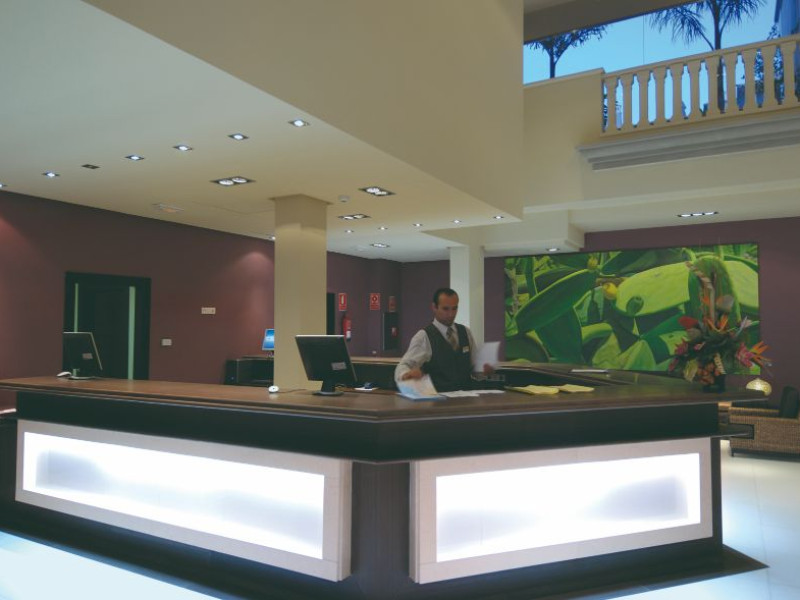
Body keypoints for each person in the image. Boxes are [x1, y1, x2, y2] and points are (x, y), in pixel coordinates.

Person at [395, 287, 492, 392]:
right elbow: (404, 365)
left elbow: (474, 369)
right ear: (434, 307)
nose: (451, 314)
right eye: (445, 309)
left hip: (466, 398)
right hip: (438, 399)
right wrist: (406, 375)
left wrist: (483, 370)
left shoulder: (466, 332)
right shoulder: (424, 337)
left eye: (454, 308)